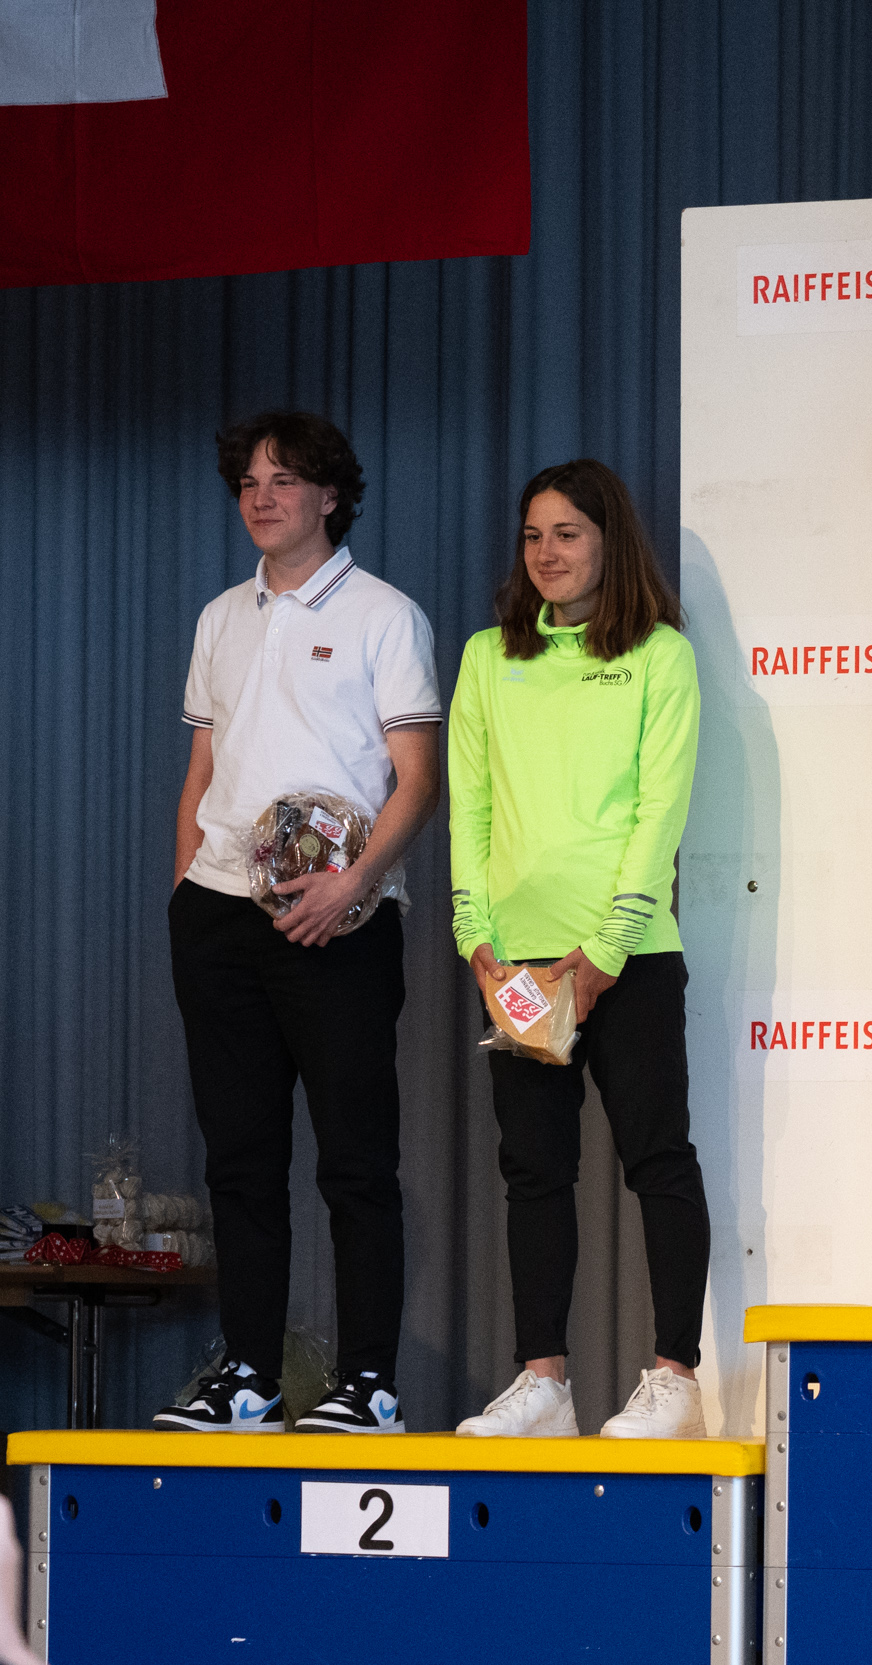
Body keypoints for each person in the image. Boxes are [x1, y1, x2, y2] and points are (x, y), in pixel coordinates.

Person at [155, 412, 441, 1435]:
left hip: (341, 925)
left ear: (330, 495)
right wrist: (185, 894)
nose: (261, 497)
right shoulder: (219, 618)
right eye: (248, 482)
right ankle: (249, 1378)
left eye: (284, 480)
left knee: (355, 1162)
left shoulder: (384, 615)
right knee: (239, 1162)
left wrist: (351, 884)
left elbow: (419, 779)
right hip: (219, 920)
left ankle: (369, 1386)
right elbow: (202, 770)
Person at [448, 459, 712, 1439]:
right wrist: (476, 937)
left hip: (627, 958)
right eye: (533, 536)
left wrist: (606, 949)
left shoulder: (659, 657)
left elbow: (659, 810)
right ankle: (544, 1385)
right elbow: (470, 805)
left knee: (658, 1157)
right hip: (516, 963)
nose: (547, 553)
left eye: (567, 533)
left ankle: (675, 1379)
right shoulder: (488, 657)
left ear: (610, 541)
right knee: (534, 1171)